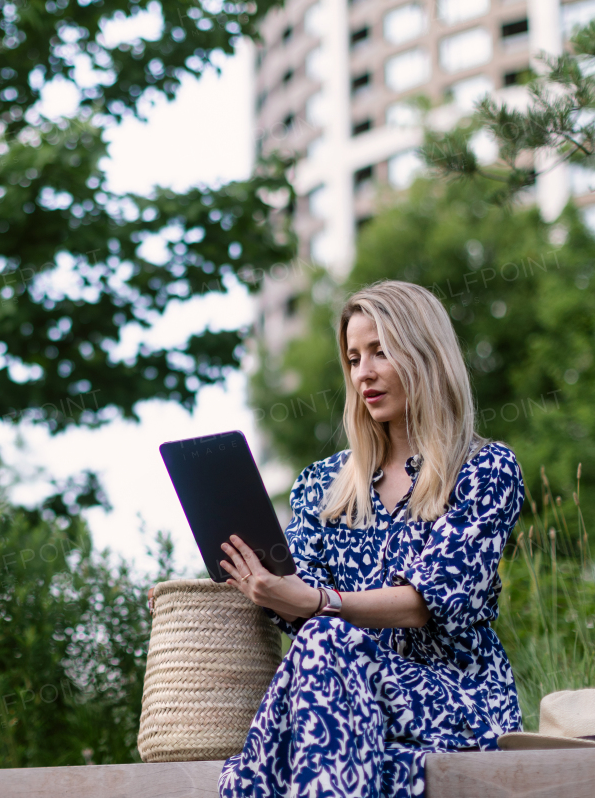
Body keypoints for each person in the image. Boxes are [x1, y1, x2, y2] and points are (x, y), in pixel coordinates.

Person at [216, 280, 526, 798]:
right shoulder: (323, 484)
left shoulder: (485, 469)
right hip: (340, 693)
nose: (365, 373)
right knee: (323, 640)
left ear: (425, 355)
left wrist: (320, 603)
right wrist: (231, 582)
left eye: (381, 352)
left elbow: (427, 603)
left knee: (325, 636)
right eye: (354, 358)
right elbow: (289, 599)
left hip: (457, 697)